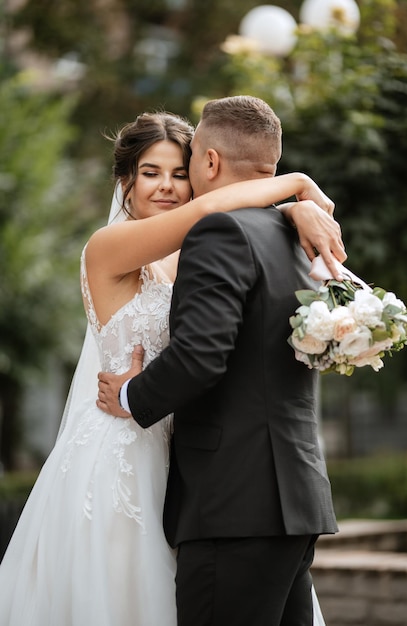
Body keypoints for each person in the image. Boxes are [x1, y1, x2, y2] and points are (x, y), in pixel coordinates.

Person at [0, 106, 343, 626]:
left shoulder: (201, 248)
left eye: (179, 173)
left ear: (201, 170)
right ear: (125, 182)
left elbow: (236, 231)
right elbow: (217, 211)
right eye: (150, 173)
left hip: (192, 454)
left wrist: (289, 215)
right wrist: (293, 190)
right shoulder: (110, 245)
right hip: (122, 443)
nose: (166, 187)